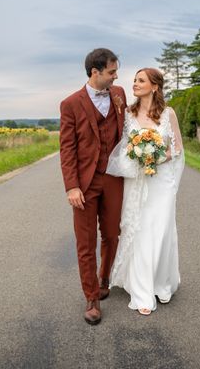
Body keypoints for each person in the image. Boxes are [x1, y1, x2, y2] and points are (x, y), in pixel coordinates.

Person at [106, 67, 184, 315]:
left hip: (161, 182)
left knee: (160, 231)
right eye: (134, 80)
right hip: (137, 181)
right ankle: (141, 290)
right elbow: (123, 148)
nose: (135, 84)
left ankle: (161, 283)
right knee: (139, 230)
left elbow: (178, 149)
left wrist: (156, 156)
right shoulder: (128, 114)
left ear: (155, 86)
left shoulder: (168, 113)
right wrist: (139, 157)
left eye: (141, 80)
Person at [59, 48, 128, 325]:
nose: (116, 75)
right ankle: (91, 297)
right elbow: (67, 149)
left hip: (113, 178)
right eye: (112, 71)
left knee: (112, 234)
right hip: (85, 185)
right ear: (95, 72)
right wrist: (72, 186)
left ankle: (104, 278)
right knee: (85, 243)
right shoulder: (70, 104)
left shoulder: (119, 94)